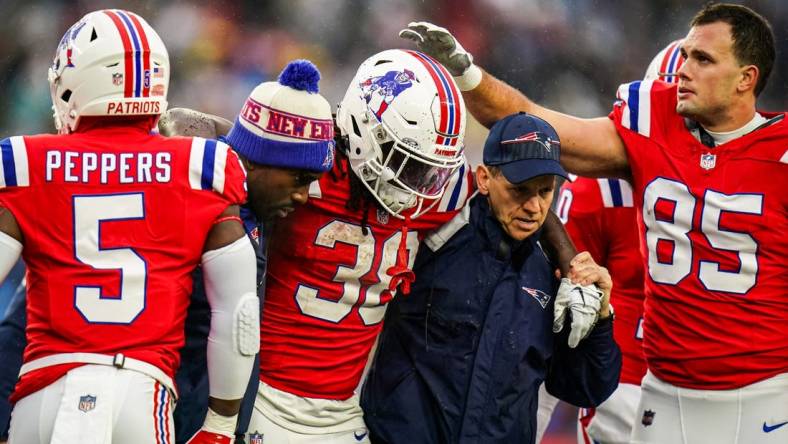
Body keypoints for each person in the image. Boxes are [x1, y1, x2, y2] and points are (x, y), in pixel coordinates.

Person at [161, 49, 593, 443]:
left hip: (345, 413)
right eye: (408, 163)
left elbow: (512, 190)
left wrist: (568, 258)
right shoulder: (307, 167)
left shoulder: (432, 188)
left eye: (430, 169)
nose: (420, 184)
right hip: (265, 397)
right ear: (363, 128)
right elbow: (189, 127)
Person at [400, 3, 788, 443]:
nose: (684, 71)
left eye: (703, 59)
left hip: (765, 394)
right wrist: (468, 74)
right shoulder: (652, 125)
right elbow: (532, 125)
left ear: (746, 78)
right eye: (685, 56)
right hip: (663, 392)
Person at [0, 57, 336, 444]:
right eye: (300, 178)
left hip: (131, 395)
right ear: (257, 162)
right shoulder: (192, 198)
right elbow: (25, 314)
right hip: (155, 402)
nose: (307, 195)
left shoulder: (218, 181)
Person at [360, 112, 621, 444]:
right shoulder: (434, 236)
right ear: (483, 178)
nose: (533, 207)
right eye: (519, 190)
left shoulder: (557, 272)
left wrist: (601, 317)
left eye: (544, 191)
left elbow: (585, 387)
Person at [536, 40, 686, 444]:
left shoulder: (756, 183)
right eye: (675, 120)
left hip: (728, 382)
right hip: (626, 392)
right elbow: (551, 315)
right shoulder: (597, 191)